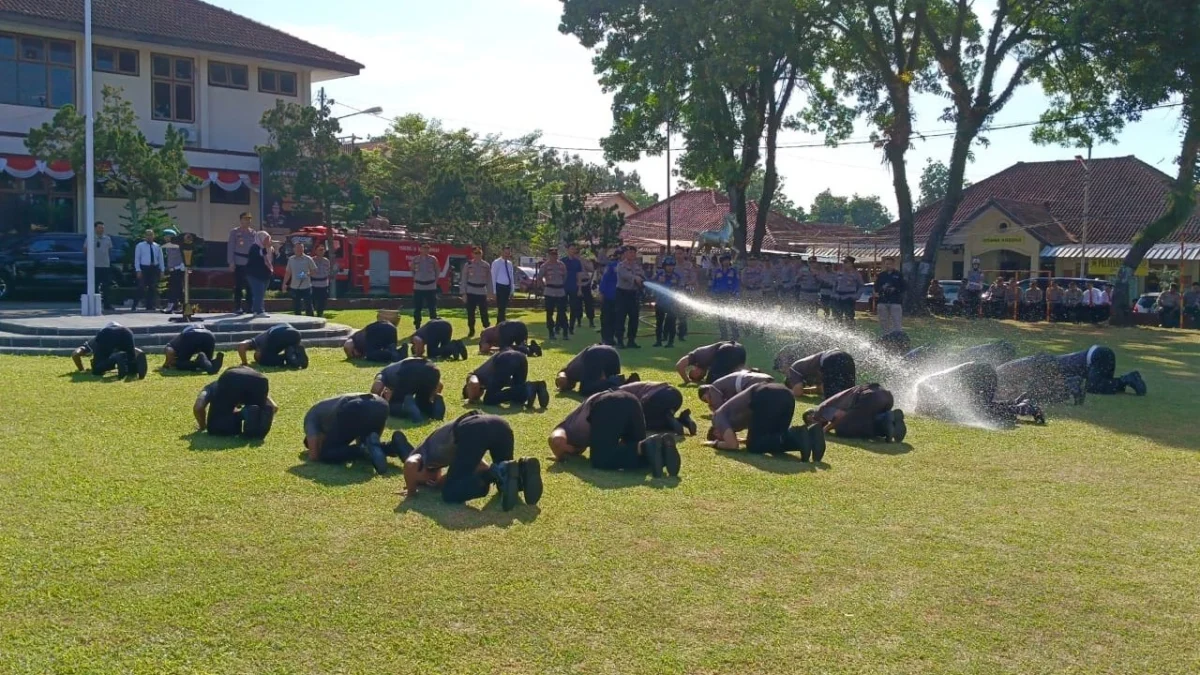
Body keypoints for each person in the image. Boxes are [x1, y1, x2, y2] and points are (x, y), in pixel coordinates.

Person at [405, 411, 543, 510]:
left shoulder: (423, 454)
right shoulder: (442, 452)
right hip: (500, 424)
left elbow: (410, 464)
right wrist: (438, 483)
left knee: (449, 493)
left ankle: (497, 472)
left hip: (473, 428)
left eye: (422, 482)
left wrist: (411, 491)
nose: (429, 481)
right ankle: (522, 467)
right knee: (506, 479)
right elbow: (481, 465)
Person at [549, 389, 681, 477]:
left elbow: (556, 440)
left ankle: (646, 446)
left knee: (600, 460)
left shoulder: (566, 427)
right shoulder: (580, 429)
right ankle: (660, 451)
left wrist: (565, 453)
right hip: (631, 400)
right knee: (635, 451)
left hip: (606, 404)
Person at [704, 382, 826, 461]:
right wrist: (746, 440)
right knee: (775, 437)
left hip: (766, 395)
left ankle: (797, 434)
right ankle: (811, 434)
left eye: (721, 439)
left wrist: (714, 444)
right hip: (785, 395)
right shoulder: (732, 419)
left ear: (716, 432)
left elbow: (732, 445)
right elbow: (759, 429)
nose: (725, 439)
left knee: (753, 446)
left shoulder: (718, 418)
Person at [915, 361, 1046, 427]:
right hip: (979, 372)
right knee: (983, 408)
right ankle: (1017, 403)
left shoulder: (929, 389)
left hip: (980, 374)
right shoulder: (926, 388)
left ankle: (1027, 407)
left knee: (983, 410)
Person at [304, 393, 403, 475]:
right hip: (381, 404)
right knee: (368, 444)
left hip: (355, 407)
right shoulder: (329, 417)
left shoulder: (311, 418)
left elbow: (314, 456)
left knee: (327, 453)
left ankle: (363, 449)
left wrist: (320, 451)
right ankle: (393, 446)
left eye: (320, 443)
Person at [803, 383, 906, 442]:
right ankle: (890, 421)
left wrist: (826, 429)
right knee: (865, 421)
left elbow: (841, 415)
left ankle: (886, 419)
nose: (813, 425)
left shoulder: (821, 411)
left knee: (843, 429)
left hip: (869, 397)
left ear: (811, 416)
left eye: (810, 422)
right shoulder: (826, 406)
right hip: (885, 396)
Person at [193, 366, 277, 438]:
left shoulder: (212, 387)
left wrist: (202, 426)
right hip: (260, 378)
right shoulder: (249, 380)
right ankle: (255, 420)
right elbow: (273, 407)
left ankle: (245, 412)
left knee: (216, 425)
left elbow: (198, 407)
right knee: (256, 411)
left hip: (229, 379)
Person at [463, 348, 550, 410]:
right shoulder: (486, 382)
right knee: (519, 397)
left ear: (467, 387)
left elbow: (473, 384)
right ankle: (534, 386)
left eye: (474, 394)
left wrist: (470, 399)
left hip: (505, 359)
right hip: (520, 357)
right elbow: (504, 380)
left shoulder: (473, 375)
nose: (478, 396)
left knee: (489, 399)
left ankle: (528, 387)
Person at [371, 357, 446, 422]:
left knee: (393, 406)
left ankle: (407, 408)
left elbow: (377, 386)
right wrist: (433, 395)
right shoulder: (394, 367)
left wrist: (384, 402)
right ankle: (437, 403)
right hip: (433, 369)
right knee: (422, 403)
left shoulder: (383, 373)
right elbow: (440, 385)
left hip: (408, 372)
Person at [995, 353, 1086, 406]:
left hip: (1036, 365)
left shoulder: (998, 378)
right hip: (1037, 362)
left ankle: (1072, 385)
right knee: (1040, 393)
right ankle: (1072, 382)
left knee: (1039, 394)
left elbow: (1013, 389)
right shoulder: (998, 374)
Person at [1057, 345, 1147, 396]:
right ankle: (1126, 380)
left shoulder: (1056, 366)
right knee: (1104, 384)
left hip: (1098, 355)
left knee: (1093, 387)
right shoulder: (1060, 362)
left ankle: (1127, 379)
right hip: (1101, 354)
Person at [71, 321, 147, 379]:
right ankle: (135, 368)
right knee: (131, 361)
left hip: (107, 334)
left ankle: (115, 357)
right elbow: (132, 350)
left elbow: (75, 354)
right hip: (127, 332)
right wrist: (137, 353)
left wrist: (82, 370)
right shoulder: (124, 331)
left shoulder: (97, 339)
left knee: (97, 370)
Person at [619, 380, 696, 436]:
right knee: (652, 419)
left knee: (642, 423)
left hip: (658, 396)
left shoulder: (617, 392)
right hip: (676, 395)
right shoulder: (630, 387)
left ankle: (669, 419)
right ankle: (683, 420)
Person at [556, 344, 635, 395]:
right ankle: (626, 383)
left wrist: (560, 384)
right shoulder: (577, 374)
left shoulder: (569, 371)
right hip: (612, 352)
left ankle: (619, 382)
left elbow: (562, 375)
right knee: (612, 386)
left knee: (585, 390)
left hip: (594, 353)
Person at [784, 349, 856, 399]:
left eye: (793, 385)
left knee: (831, 396)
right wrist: (804, 390)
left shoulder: (793, 369)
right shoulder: (812, 374)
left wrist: (787, 391)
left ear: (790, 380)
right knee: (849, 391)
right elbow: (821, 390)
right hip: (846, 356)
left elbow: (797, 393)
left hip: (831, 358)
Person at [698, 369, 775, 412]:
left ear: (707, 391)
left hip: (752, 383)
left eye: (706, 399)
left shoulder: (713, 388)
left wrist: (712, 407)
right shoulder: (721, 386)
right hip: (764, 379)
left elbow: (722, 412)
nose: (707, 402)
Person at [237, 324, 308, 369]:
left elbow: (241, 345)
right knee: (290, 348)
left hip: (275, 334)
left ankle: (286, 357)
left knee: (262, 358)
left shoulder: (256, 341)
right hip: (294, 332)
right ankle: (296, 353)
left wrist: (244, 363)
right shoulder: (263, 338)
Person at [675, 341, 747, 386]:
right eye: (700, 376)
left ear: (695, 366)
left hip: (728, 349)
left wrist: (687, 381)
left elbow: (679, 365)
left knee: (710, 382)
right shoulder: (710, 364)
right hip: (740, 349)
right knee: (735, 376)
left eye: (695, 372)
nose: (699, 374)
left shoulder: (695, 356)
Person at [615, 245, 645, 348]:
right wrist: (635, 278)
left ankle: (631, 341)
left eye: (633, 252)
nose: (632, 254)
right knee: (620, 318)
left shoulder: (637, 266)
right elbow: (625, 276)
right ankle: (620, 341)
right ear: (625, 254)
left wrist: (641, 280)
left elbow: (642, 276)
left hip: (633, 294)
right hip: (622, 294)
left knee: (634, 318)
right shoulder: (620, 265)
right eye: (629, 252)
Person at [537, 246, 569, 340]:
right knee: (549, 313)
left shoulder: (561, 265)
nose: (554, 256)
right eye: (552, 255)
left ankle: (565, 332)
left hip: (560, 291)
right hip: (549, 290)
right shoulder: (545, 266)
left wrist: (562, 283)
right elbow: (539, 277)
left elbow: (565, 276)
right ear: (549, 255)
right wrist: (544, 287)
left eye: (555, 254)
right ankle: (551, 332)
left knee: (562, 312)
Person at [462, 246, 493, 338]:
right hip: (471, 291)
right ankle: (471, 330)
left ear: (482, 254)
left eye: (479, 253)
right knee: (470, 313)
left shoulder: (486, 265)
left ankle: (487, 328)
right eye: (476, 253)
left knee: (484, 312)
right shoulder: (468, 265)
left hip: (482, 291)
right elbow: (464, 279)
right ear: (472, 254)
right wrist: (463, 293)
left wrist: (490, 293)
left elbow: (489, 280)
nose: (478, 255)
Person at [227, 213, 255, 315]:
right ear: (241, 220)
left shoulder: (253, 233)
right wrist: (231, 262)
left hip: (250, 263)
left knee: (250, 286)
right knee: (238, 286)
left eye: (249, 219)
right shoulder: (235, 232)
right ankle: (237, 307)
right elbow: (231, 247)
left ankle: (250, 307)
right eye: (245, 219)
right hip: (239, 261)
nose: (247, 221)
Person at [652, 256, 682, 348]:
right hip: (660, 302)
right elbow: (651, 283)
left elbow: (680, 289)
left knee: (671, 323)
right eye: (668, 265)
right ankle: (658, 341)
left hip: (672, 303)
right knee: (659, 323)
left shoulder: (677, 277)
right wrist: (657, 281)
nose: (670, 267)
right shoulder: (659, 275)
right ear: (664, 266)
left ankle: (670, 342)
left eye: (672, 265)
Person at [710, 252, 740, 340]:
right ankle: (724, 335)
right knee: (721, 317)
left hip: (730, 296)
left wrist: (735, 292)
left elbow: (736, 283)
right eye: (724, 261)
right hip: (719, 296)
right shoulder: (717, 272)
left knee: (731, 316)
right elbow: (714, 283)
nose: (726, 262)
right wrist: (713, 292)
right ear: (721, 261)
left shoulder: (733, 271)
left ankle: (735, 335)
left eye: (727, 260)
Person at [281, 243, 317, 317]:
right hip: (294, 287)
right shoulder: (291, 259)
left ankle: (311, 321)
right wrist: (284, 283)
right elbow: (288, 273)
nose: (299, 250)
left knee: (308, 305)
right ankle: (298, 322)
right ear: (294, 249)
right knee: (296, 307)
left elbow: (314, 271)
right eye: (297, 248)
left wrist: (306, 275)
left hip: (306, 286)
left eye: (301, 248)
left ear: (303, 249)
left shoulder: (308, 259)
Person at [88, 221, 116, 312]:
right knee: (94, 286)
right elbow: (85, 250)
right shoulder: (90, 238)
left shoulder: (107, 239)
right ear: (95, 228)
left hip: (105, 265)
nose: (101, 229)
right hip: (94, 266)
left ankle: (107, 304)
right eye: (99, 227)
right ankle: (95, 304)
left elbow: (110, 250)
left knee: (106, 286)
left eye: (102, 227)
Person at [133, 228, 164, 312]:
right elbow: (137, 258)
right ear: (145, 236)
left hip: (154, 268)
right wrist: (138, 270)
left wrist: (162, 270)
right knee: (141, 287)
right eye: (147, 235)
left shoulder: (157, 246)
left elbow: (161, 259)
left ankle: (150, 306)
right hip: (144, 268)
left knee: (153, 287)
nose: (149, 237)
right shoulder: (140, 246)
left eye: (151, 235)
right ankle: (134, 305)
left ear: (153, 236)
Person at [411, 241, 440, 329]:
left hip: (430, 286)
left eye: (427, 248)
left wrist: (435, 281)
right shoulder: (415, 259)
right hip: (418, 286)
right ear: (420, 249)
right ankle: (417, 325)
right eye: (424, 247)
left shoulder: (433, 259)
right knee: (417, 307)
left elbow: (437, 270)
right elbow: (412, 270)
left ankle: (434, 324)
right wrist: (416, 278)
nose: (426, 249)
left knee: (432, 307)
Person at [245, 231, 274, 319]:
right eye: (266, 239)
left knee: (261, 293)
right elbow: (259, 256)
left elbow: (272, 259)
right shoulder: (255, 247)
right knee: (259, 292)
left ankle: (257, 310)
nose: (268, 240)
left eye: (269, 238)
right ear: (261, 239)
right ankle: (259, 311)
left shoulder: (268, 248)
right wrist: (266, 248)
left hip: (265, 275)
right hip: (254, 275)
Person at [874, 257, 905, 333]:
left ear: (893, 264)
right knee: (883, 321)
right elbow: (876, 287)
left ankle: (897, 336)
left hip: (895, 301)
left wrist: (895, 289)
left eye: (890, 264)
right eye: (886, 264)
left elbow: (904, 287)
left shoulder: (899, 275)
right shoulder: (881, 275)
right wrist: (882, 288)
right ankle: (885, 336)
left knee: (896, 320)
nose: (888, 265)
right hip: (883, 300)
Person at [598, 248, 621, 346]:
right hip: (608, 295)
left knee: (615, 319)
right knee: (606, 318)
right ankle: (606, 339)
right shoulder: (611, 266)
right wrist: (601, 292)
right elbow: (604, 279)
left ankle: (611, 338)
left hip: (619, 297)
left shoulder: (626, 266)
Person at [562, 243, 585, 336]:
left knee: (573, 308)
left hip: (574, 287)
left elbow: (579, 276)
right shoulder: (563, 261)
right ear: (567, 250)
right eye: (571, 249)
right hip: (563, 287)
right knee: (562, 308)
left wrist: (580, 288)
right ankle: (563, 325)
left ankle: (571, 327)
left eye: (574, 249)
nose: (572, 251)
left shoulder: (577, 262)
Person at [674, 247, 696, 340]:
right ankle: (669, 332)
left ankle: (681, 333)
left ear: (684, 254)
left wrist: (688, 283)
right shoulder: (672, 265)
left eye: (680, 253)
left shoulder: (689, 265)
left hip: (685, 291)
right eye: (677, 253)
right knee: (672, 312)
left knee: (682, 313)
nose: (678, 255)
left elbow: (694, 278)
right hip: (673, 291)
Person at [161, 230, 185, 314]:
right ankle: (184, 306)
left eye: (166, 236)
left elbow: (184, 255)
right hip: (172, 270)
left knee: (173, 288)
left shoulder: (178, 245)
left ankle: (170, 306)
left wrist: (182, 265)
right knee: (178, 289)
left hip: (178, 269)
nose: (165, 238)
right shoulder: (168, 246)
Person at [491, 245, 516, 323]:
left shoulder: (509, 264)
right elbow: (493, 277)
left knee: (504, 307)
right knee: (501, 307)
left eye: (508, 253)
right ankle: (500, 323)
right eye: (505, 253)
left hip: (507, 287)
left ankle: (501, 323)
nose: (507, 255)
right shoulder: (496, 263)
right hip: (500, 286)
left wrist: (512, 290)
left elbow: (511, 277)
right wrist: (494, 291)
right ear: (502, 252)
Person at [310, 243, 332, 318]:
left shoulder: (327, 261)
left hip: (324, 284)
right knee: (312, 301)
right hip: (314, 284)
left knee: (322, 301)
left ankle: (320, 314)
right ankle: (311, 314)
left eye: (323, 250)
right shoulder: (311, 260)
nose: (321, 251)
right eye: (320, 250)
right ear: (316, 251)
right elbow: (307, 271)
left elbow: (328, 272)